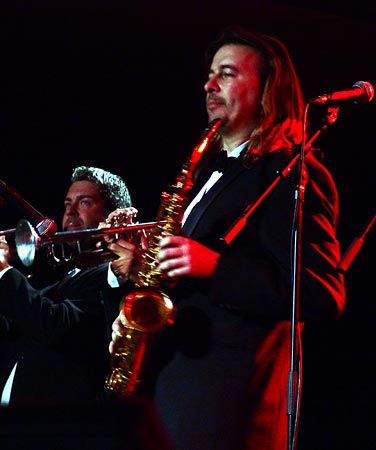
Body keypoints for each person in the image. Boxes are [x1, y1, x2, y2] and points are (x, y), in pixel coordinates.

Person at [107, 26, 346, 450]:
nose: (209, 84)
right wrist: (144, 285)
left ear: (268, 89)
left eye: (229, 73)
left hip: (225, 402)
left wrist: (214, 265)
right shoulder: (212, 172)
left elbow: (321, 292)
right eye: (211, 73)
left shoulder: (292, 174)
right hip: (173, 382)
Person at [0, 165, 140, 407]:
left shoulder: (113, 278)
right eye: (67, 204)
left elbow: (56, 325)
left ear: (111, 215)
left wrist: (1, 272)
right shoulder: (59, 277)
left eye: (84, 202)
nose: (71, 212)